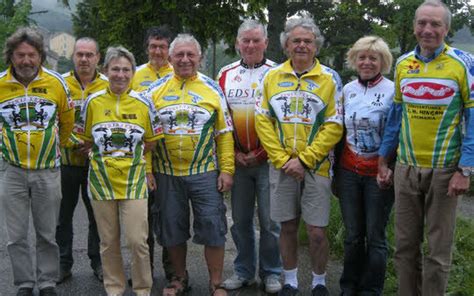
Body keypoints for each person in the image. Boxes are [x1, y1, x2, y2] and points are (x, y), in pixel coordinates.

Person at [377, 1, 474, 295]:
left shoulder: (463, 63)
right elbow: (396, 117)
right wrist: (384, 159)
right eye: (422, 23)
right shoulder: (405, 63)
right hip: (406, 167)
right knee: (404, 247)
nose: (427, 30)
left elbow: (472, 119)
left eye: (435, 24)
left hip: (445, 170)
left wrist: (465, 169)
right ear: (414, 26)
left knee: (437, 251)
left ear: (446, 28)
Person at [255, 17, 343, 296]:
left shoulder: (329, 79)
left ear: (316, 46)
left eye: (308, 41)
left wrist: (304, 160)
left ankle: (319, 281)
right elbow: (262, 121)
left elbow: (334, 125)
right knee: (287, 226)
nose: (302, 45)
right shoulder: (271, 77)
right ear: (286, 46)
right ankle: (290, 281)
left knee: (317, 231)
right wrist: (282, 160)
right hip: (281, 165)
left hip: (315, 166)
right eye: (296, 41)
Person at [145, 33, 234, 296]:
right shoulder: (154, 91)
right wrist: (148, 169)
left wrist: (227, 169)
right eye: (179, 55)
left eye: (190, 55)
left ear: (200, 58)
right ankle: (179, 280)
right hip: (166, 172)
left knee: (213, 227)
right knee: (171, 228)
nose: (185, 60)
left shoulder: (212, 89)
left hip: (204, 172)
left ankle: (215, 282)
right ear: (170, 58)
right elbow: (146, 136)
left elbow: (224, 134)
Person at [74, 46, 162, 296]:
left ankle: (143, 289)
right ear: (105, 71)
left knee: (137, 241)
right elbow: (83, 138)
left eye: (126, 70)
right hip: (102, 182)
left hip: (134, 181)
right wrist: (97, 154)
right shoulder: (92, 102)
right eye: (115, 69)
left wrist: (136, 159)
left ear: (133, 72)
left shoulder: (144, 102)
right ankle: (114, 289)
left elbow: (153, 139)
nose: (120, 75)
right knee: (108, 242)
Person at [0, 27, 74, 296]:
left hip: (47, 171)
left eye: (32, 54)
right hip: (13, 171)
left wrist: (54, 147)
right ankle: (24, 283)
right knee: (16, 235)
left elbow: (66, 122)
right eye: (20, 55)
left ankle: (46, 282)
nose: (26, 60)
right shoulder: (0, 84)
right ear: (11, 56)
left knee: (46, 233)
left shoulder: (56, 83)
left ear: (40, 56)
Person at [217, 19, 282, 293]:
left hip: (268, 160)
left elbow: (283, 121)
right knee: (241, 220)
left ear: (266, 42)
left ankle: (271, 272)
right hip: (238, 160)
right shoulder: (225, 73)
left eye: (257, 40)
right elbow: (221, 118)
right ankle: (243, 270)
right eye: (246, 40)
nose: (251, 45)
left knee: (270, 220)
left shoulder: (279, 73)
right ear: (237, 44)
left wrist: (261, 152)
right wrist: (234, 154)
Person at [336, 36, 394, 296]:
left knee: (376, 236)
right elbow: (339, 131)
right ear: (354, 60)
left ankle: (371, 289)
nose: (367, 62)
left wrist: (389, 166)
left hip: (379, 174)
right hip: (349, 170)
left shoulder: (393, 90)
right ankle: (349, 285)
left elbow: (396, 131)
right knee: (352, 235)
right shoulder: (347, 90)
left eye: (373, 58)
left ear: (383, 61)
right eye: (362, 57)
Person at [56, 37, 108, 283]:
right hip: (64, 163)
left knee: (97, 217)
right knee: (63, 216)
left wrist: (95, 143)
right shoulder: (60, 84)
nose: (84, 59)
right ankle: (63, 264)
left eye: (90, 54)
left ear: (98, 57)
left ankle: (98, 262)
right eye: (80, 54)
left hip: (95, 165)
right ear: (73, 56)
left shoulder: (108, 85)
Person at [131, 25, 175, 280]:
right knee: (142, 221)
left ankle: (173, 270)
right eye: (153, 46)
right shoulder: (135, 75)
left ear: (169, 49)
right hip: (141, 157)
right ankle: (143, 271)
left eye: (162, 46)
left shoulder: (179, 72)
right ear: (146, 48)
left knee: (169, 218)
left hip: (169, 158)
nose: (157, 51)